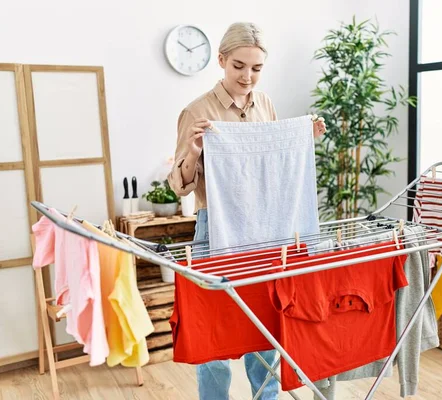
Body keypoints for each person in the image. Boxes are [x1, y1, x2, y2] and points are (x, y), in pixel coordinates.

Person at [167, 22, 326, 400]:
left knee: (264, 324)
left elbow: (273, 163)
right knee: (214, 331)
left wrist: (304, 138)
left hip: (263, 228)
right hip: (215, 228)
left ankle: (265, 397)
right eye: (239, 66)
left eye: (256, 68)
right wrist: (193, 151)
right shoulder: (197, 111)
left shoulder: (266, 104)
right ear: (221, 61)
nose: (247, 76)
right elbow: (179, 184)